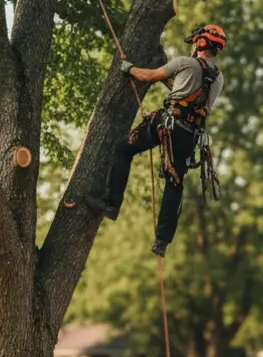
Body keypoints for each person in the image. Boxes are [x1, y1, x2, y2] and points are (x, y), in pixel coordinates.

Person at [88, 24, 227, 257]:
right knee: (175, 183)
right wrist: (168, 82)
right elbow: (185, 92)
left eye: (196, 41)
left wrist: (129, 68)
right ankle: (162, 241)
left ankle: (112, 205)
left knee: (123, 149)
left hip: (167, 125)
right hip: (189, 135)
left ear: (201, 42)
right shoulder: (218, 78)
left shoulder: (184, 62)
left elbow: (148, 76)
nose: (193, 45)